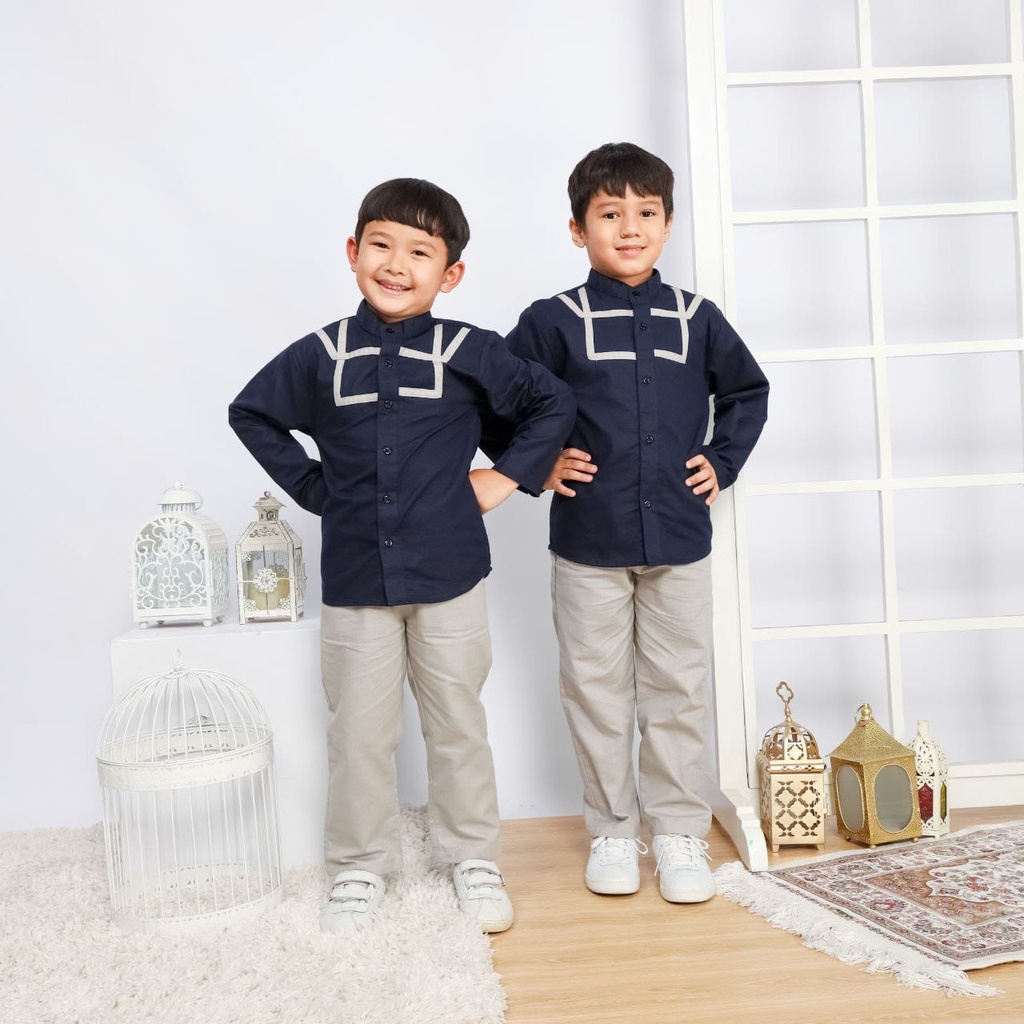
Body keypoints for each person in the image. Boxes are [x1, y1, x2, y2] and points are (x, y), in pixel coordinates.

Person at [229, 178, 576, 934]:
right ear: (353, 252)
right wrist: (316, 489)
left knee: (457, 723)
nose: (395, 264)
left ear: (450, 274)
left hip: (451, 575)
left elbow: (552, 402)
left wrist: (507, 477)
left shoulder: (470, 351)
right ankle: (360, 866)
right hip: (356, 580)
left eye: (420, 252)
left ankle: (473, 857)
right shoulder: (321, 354)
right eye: (381, 245)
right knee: (358, 732)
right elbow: (250, 413)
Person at [495, 142, 768, 903]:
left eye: (646, 213)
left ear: (668, 224)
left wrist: (723, 460)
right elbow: (496, 401)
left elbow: (747, 393)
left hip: (679, 538)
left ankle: (678, 830)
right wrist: (535, 466)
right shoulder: (551, 322)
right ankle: (613, 831)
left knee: (679, 688)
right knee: (596, 689)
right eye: (610, 214)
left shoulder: (698, 318)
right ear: (577, 229)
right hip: (589, 542)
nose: (630, 228)